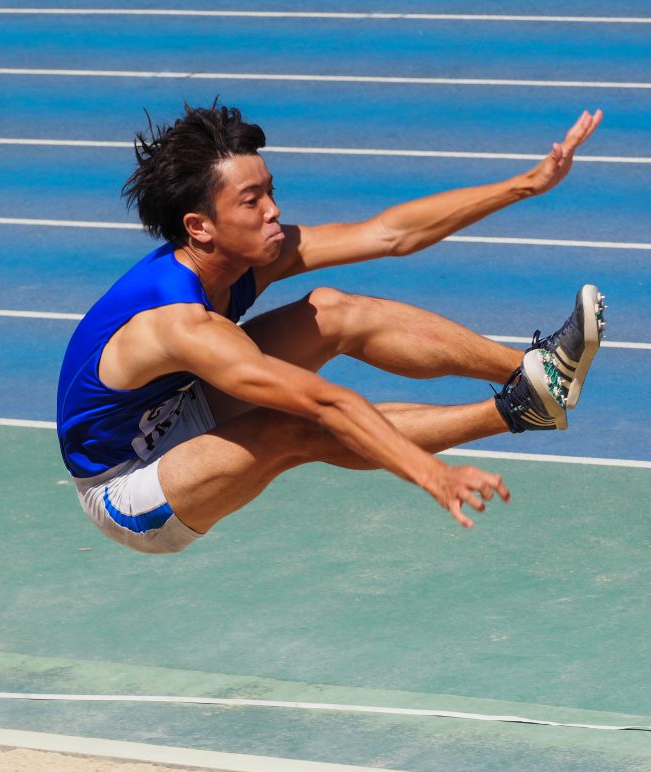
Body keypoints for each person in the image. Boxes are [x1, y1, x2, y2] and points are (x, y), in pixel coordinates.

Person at [56, 103, 605, 554]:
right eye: (252, 201)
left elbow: (388, 234)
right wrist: (429, 475)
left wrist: (526, 185)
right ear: (199, 227)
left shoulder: (246, 255)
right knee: (288, 428)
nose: (274, 211)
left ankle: (537, 369)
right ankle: (516, 410)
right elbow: (324, 405)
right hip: (129, 487)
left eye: (270, 190)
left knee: (334, 310)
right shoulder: (180, 324)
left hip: (179, 405)